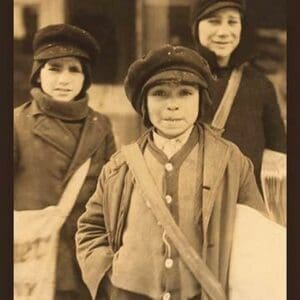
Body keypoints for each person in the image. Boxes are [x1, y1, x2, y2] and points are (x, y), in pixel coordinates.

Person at [75, 45, 267, 300]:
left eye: (185, 93)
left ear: (201, 100)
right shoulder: (120, 166)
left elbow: (257, 235)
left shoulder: (231, 162)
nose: (172, 105)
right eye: (160, 94)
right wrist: (108, 279)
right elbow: (90, 229)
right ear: (144, 103)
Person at [14, 24, 116, 300]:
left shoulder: (101, 126)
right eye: (54, 68)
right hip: (30, 265)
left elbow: (113, 195)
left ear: (85, 78)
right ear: (38, 73)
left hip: (84, 263)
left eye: (74, 70)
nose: (64, 79)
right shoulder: (16, 124)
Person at [190, 0, 286, 188]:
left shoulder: (260, 86)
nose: (224, 32)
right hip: (192, 203)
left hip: (247, 205)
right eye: (214, 21)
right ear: (196, 26)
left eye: (232, 22)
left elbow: (280, 154)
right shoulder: (180, 80)